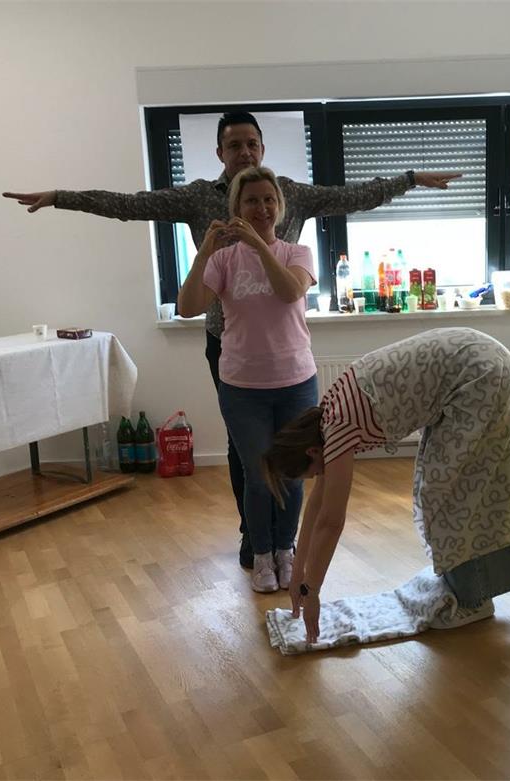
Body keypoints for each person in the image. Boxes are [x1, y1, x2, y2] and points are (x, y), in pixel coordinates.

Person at [3, 111, 460, 568]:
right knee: (245, 454)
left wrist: (410, 179)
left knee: (291, 451)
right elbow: (130, 204)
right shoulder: (199, 197)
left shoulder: (288, 193)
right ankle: (254, 538)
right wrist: (60, 198)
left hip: (286, 350)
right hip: (228, 345)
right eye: (234, 145)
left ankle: (284, 543)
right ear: (219, 152)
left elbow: (351, 195)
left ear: (262, 148)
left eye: (251, 144)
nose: (244, 152)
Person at [260, 328, 510, 644]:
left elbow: (331, 520)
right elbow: (317, 506)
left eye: (312, 472)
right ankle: (467, 585)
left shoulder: (337, 429)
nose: (318, 477)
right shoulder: (328, 416)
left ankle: (473, 600)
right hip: (480, 360)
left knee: (449, 493)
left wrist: (313, 591)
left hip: (482, 373)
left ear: (312, 452)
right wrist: (299, 577)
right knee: (442, 487)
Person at [177, 166, 318, 593]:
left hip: (296, 382)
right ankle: (261, 555)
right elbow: (187, 307)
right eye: (251, 200)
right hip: (242, 388)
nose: (261, 207)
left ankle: (285, 550)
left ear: (280, 206)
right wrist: (204, 253)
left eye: (268, 200)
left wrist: (258, 244)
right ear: (236, 207)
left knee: (290, 473)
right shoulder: (223, 261)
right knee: (258, 476)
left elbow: (290, 292)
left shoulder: (297, 253)